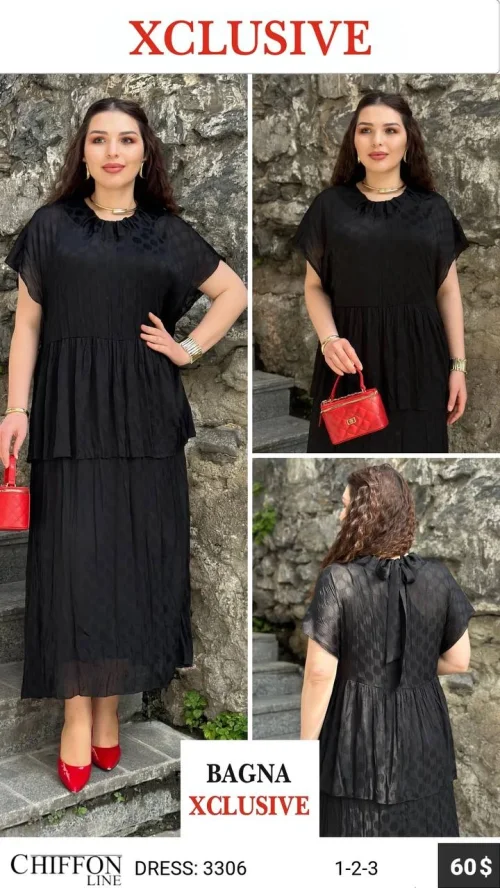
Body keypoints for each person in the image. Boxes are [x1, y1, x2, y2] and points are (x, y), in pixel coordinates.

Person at [0, 97, 247, 793]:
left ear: (145, 154)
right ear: (83, 153)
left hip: (144, 415)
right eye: (100, 139)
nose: (113, 151)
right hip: (69, 416)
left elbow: (233, 292)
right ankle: (77, 711)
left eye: (127, 140)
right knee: (74, 563)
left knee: (130, 561)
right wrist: (15, 409)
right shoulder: (51, 226)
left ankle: (108, 702)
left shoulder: (167, 232)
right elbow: (27, 327)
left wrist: (188, 349)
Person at [300, 464, 475, 837]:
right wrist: (413, 666)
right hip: (424, 731)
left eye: (346, 507)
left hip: (355, 734)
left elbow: (319, 674)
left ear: (366, 516)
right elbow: (459, 661)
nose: (341, 515)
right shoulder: (439, 577)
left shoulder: (339, 580)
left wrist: (303, 749)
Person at [293, 91, 469, 453]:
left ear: (408, 141)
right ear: (353, 141)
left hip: (420, 363)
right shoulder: (330, 207)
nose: (377, 141)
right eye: (365, 130)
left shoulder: (433, 209)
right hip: (349, 360)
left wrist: (458, 366)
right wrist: (329, 340)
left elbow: (448, 291)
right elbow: (314, 286)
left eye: (390, 130)